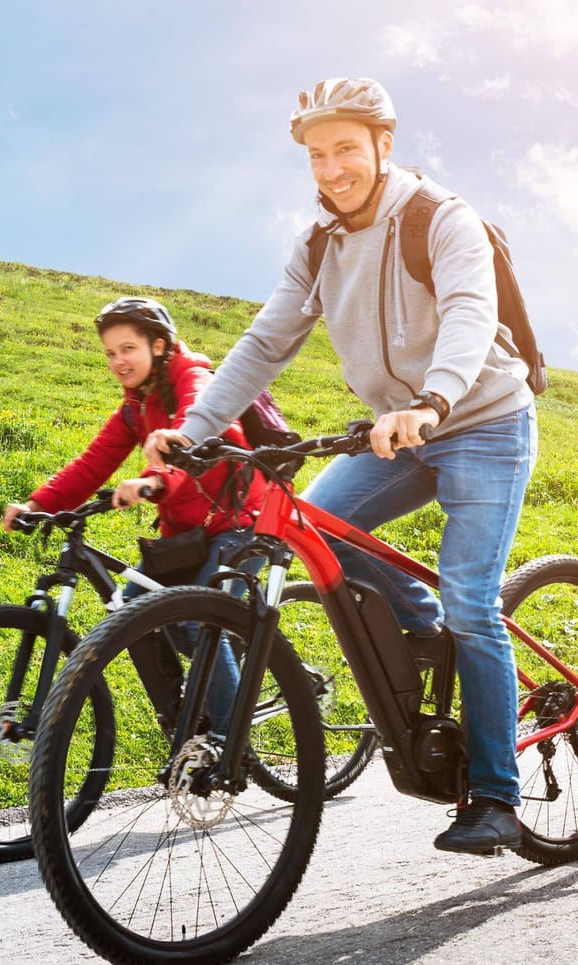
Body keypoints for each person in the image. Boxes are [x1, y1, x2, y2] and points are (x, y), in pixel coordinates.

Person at [144, 78, 539, 856]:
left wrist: (432, 400)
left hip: (484, 421)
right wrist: (193, 429)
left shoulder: (442, 219)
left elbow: (470, 312)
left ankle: (495, 795)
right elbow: (265, 343)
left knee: (471, 599)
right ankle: (423, 627)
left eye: (347, 150)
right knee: (324, 527)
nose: (332, 169)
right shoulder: (320, 244)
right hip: (398, 431)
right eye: (318, 156)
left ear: (383, 146)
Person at [5, 297, 267, 729]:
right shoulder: (135, 406)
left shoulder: (198, 381)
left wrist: (153, 480)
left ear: (159, 346)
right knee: (131, 609)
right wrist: (37, 506)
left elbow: (194, 435)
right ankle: (183, 719)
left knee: (202, 623)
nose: (118, 361)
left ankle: (227, 738)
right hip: (185, 535)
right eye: (110, 353)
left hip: (240, 523)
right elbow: (92, 465)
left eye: (128, 349)